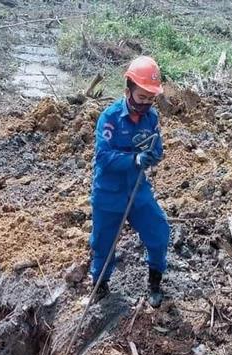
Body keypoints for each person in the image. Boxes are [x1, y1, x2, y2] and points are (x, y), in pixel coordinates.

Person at [89, 55, 170, 308]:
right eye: (141, 97)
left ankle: (154, 281)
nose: (145, 104)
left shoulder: (151, 118)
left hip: (137, 191)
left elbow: (157, 150)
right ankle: (99, 286)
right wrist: (135, 160)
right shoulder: (110, 118)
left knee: (159, 233)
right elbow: (103, 157)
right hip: (109, 192)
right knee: (103, 243)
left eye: (150, 99)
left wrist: (152, 157)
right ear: (128, 90)